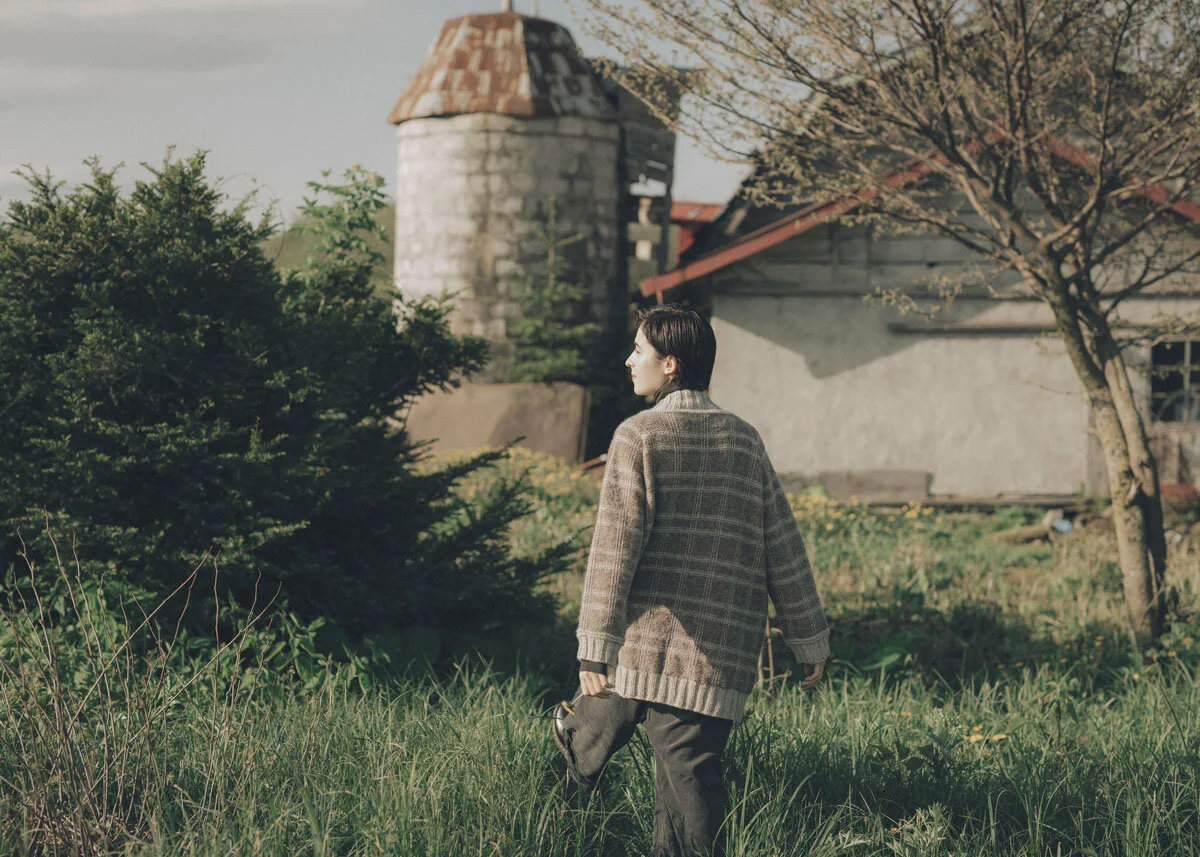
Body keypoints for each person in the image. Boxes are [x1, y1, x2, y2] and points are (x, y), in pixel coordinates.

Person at [551, 304, 830, 857]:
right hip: (712, 651)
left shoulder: (640, 437)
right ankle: (576, 738)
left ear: (671, 363)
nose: (629, 360)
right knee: (682, 783)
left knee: (688, 793)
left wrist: (594, 648)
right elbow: (785, 546)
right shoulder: (743, 439)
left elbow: (613, 551)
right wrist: (809, 636)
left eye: (639, 351)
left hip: (677, 652)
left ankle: (575, 735)